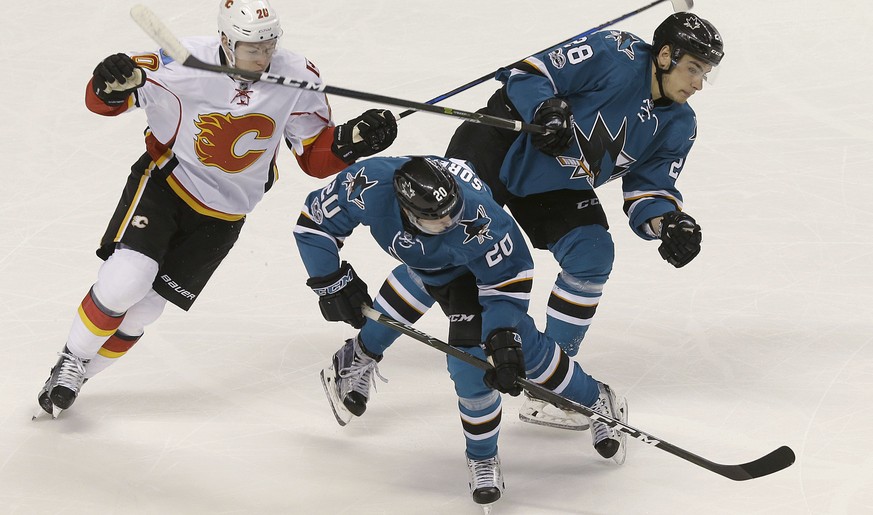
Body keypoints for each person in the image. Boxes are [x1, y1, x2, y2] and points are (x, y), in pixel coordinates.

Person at [36, 0, 397, 418]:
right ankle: (71, 360)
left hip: (226, 213)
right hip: (169, 184)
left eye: (268, 47)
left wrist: (352, 140)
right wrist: (108, 83)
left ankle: (81, 374)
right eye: (251, 49)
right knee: (127, 279)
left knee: (147, 309)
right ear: (225, 40)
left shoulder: (297, 75)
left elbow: (314, 157)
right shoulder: (181, 62)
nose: (262, 59)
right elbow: (103, 101)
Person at [440, 11, 725, 429]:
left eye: (706, 73)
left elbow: (650, 193)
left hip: (553, 178)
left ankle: (550, 380)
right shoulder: (615, 52)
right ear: (665, 55)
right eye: (693, 68)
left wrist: (670, 225)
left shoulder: (680, 124)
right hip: (501, 144)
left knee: (592, 254)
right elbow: (530, 72)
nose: (699, 83)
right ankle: (363, 350)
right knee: (447, 250)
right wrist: (547, 110)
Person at [293, 155, 627, 509]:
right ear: (407, 211)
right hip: (429, 261)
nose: (450, 221)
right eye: (437, 220)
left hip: (470, 273)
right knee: (425, 277)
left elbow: (507, 281)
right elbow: (313, 222)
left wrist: (502, 335)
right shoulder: (368, 183)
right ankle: (362, 356)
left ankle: (598, 401)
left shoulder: (481, 218)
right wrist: (329, 280)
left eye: (453, 212)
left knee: (483, 360)